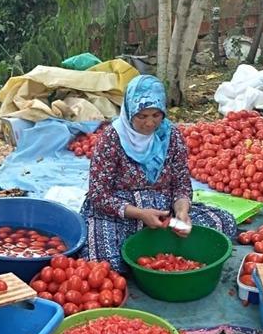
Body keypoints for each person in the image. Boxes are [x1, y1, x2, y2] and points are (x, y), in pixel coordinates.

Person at [81, 74, 236, 271]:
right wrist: (140, 213)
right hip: (122, 216)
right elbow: (98, 195)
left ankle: (158, 248)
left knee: (223, 223)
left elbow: (181, 183)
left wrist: (181, 212)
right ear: (129, 112)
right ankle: (154, 247)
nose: (150, 123)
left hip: (165, 216)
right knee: (103, 262)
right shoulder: (111, 139)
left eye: (156, 115)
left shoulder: (170, 135)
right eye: (142, 116)